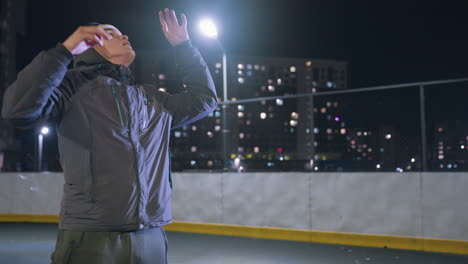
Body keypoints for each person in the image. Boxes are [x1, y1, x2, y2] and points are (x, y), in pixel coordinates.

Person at [2, 8, 217, 264]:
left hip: (151, 236)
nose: (124, 35)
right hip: (92, 236)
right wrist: (65, 51)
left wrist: (183, 47)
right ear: (91, 44)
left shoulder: (152, 97)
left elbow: (205, 100)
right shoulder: (72, 86)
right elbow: (17, 110)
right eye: (112, 33)